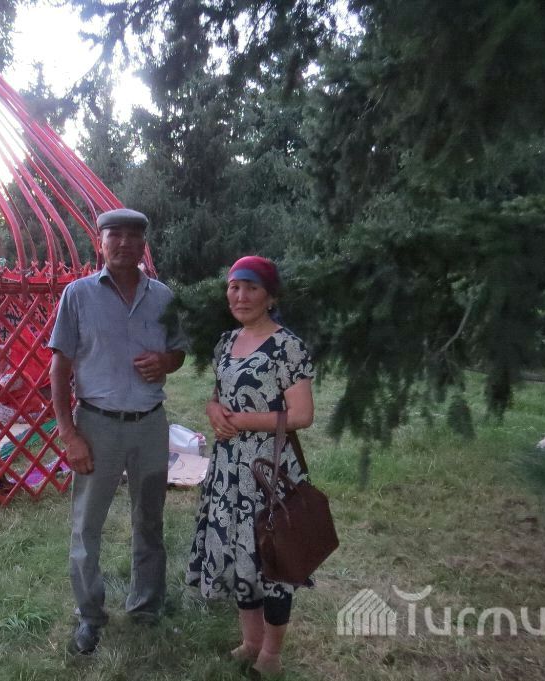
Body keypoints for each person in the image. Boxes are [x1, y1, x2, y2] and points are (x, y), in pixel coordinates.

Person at [49, 208, 187, 655]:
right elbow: (59, 368)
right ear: (100, 242)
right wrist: (69, 434)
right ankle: (90, 615)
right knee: (87, 525)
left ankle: (146, 607)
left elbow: (179, 352)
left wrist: (166, 362)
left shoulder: (163, 297)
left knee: (150, 519)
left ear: (144, 243)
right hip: (97, 425)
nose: (124, 242)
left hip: (149, 424)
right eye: (115, 235)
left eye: (133, 235)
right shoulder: (78, 295)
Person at [186, 255, 315, 677]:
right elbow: (219, 394)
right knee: (239, 554)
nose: (240, 296)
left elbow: (301, 414)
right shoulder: (226, 342)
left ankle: (271, 655)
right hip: (228, 470)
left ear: (270, 297)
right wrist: (212, 409)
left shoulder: (287, 346)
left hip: (268, 469)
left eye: (251, 288)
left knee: (272, 558)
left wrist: (241, 421)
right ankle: (250, 641)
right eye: (234, 287)